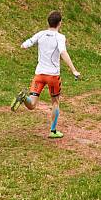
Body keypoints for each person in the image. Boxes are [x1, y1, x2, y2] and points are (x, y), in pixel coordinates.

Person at [11, 10, 81, 139]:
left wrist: (23, 45)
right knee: (55, 102)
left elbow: (25, 44)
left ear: (48, 22)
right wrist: (73, 70)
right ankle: (53, 131)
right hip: (53, 76)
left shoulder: (41, 34)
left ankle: (24, 98)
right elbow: (63, 52)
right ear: (60, 23)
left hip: (39, 74)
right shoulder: (60, 37)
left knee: (32, 104)